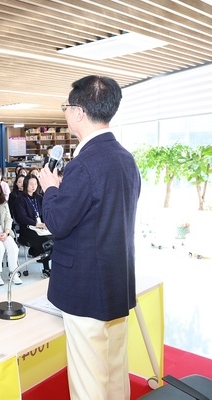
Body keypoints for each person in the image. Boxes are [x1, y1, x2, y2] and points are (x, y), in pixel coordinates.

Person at [39, 75, 141, 400]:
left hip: (86, 286)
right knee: (113, 372)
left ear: (79, 112)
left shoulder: (84, 165)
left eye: (67, 107)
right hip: (116, 280)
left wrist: (50, 189)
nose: (65, 112)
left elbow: (58, 222)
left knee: (88, 381)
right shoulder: (126, 159)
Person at [12, 175, 53, 277]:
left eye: (35, 184)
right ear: (26, 184)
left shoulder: (39, 198)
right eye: (31, 184)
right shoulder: (20, 199)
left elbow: (46, 213)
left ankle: (53, 264)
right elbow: (22, 218)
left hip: (41, 228)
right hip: (27, 229)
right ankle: (46, 268)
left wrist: (46, 223)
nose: (33, 186)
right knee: (45, 241)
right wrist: (37, 224)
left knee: (54, 238)